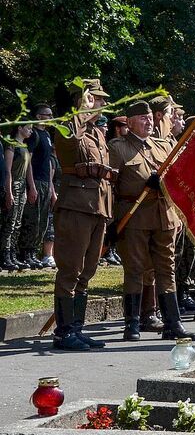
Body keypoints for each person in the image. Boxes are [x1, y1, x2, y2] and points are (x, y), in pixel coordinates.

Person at [109, 100, 195, 342]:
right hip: (134, 216)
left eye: (150, 118)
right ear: (129, 122)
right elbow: (110, 187)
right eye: (142, 118)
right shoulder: (118, 148)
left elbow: (176, 179)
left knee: (166, 269)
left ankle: (173, 323)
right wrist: (110, 220)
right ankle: (133, 323)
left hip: (164, 217)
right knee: (135, 269)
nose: (149, 122)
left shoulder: (162, 146)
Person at [51, 79, 113, 350]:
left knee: (87, 271)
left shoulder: (97, 133)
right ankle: (64, 332)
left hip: (96, 209)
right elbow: (67, 142)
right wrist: (80, 112)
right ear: (82, 100)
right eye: (96, 99)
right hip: (75, 207)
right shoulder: (67, 126)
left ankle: (77, 327)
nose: (101, 104)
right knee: (70, 271)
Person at [19, 104, 55, 269]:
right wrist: (31, 185)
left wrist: (51, 187)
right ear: (39, 116)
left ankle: (33, 252)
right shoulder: (34, 135)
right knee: (32, 218)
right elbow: (29, 161)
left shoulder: (47, 134)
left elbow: (48, 162)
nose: (50, 117)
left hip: (46, 182)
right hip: (36, 181)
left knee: (42, 221)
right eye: (48, 114)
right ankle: (25, 253)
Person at [2, 123, 33, 272]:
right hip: (13, 184)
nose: (31, 131)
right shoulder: (11, 144)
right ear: (20, 128)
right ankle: (5, 255)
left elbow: (28, 170)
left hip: (22, 187)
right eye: (28, 128)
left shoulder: (25, 146)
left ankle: (13, 255)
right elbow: (7, 171)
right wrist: (8, 192)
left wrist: (28, 189)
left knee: (18, 223)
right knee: (10, 222)